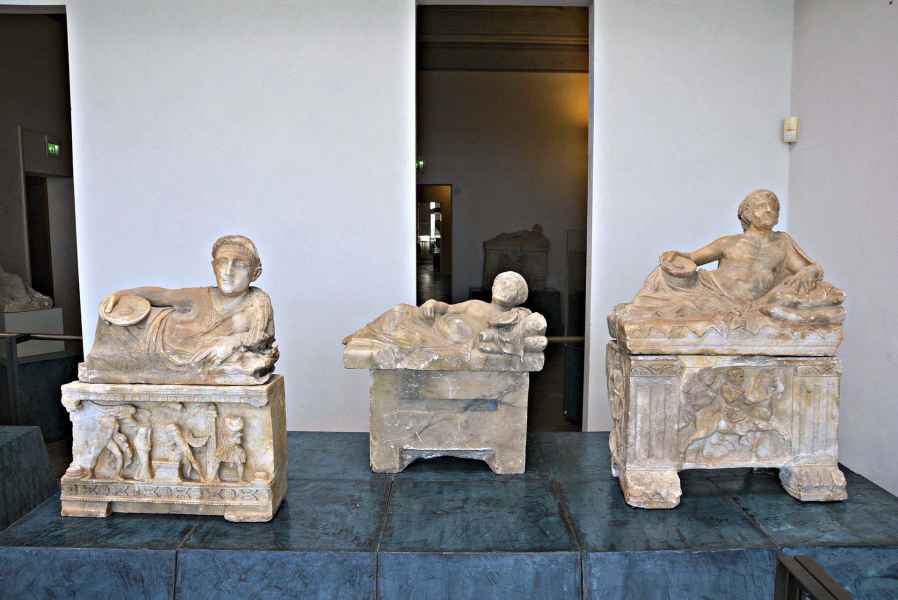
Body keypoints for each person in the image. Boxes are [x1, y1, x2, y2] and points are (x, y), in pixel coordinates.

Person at [615, 190, 845, 326]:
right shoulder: (729, 242)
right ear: (746, 213)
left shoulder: (782, 242)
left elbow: (806, 269)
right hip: (713, 290)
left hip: (749, 303)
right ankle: (639, 311)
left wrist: (810, 270)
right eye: (761, 206)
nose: (768, 211)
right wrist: (674, 257)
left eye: (773, 207)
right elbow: (693, 258)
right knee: (663, 280)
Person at [81, 235, 278, 385]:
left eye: (239, 265)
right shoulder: (200, 296)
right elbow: (161, 294)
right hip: (150, 334)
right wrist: (122, 293)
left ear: (255, 273)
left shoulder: (258, 302)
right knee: (113, 328)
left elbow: (263, 338)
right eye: (222, 263)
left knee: (244, 362)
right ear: (213, 267)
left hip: (179, 355)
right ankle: (99, 366)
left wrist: (231, 341)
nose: (228, 272)